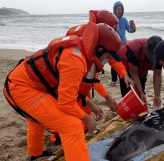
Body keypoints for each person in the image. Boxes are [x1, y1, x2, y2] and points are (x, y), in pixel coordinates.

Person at [3, 22, 121, 161]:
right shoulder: (75, 58)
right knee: (71, 126)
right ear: (99, 48)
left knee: (37, 120)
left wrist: (90, 105)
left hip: (26, 83)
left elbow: (71, 91)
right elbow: (66, 103)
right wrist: (87, 117)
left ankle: (35, 153)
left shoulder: (81, 49)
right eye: (108, 55)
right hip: (22, 88)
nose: (107, 59)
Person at [50, 10, 135, 145]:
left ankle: (86, 128)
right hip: (65, 76)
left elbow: (111, 59)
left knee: (83, 99)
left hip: (77, 76)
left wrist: (123, 74)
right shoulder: (83, 49)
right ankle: (56, 137)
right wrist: (107, 98)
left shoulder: (95, 42)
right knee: (66, 105)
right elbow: (88, 80)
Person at [117, 35, 163, 107]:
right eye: (151, 56)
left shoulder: (160, 53)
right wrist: (140, 92)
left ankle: (141, 103)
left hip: (143, 67)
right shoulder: (134, 49)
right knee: (128, 93)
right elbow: (134, 73)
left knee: (141, 87)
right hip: (126, 65)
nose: (153, 59)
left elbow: (157, 74)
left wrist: (157, 95)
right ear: (145, 48)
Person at [110, 1, 136, 87]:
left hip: (123, 44)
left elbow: (130, 30)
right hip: (114, 44)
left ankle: (123, 76)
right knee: (114, 61)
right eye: (118, 9)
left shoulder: (124, 20)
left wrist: (133, 28)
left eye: (121, 9)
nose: (120, 10)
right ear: (114, 9)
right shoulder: (111, 19)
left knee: (123, 61)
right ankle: (114, 79)